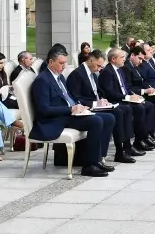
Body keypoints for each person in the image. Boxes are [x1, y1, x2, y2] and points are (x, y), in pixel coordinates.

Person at [30, 46, 115, 177]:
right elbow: (44, 109)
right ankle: (89, 166)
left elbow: (69, 98)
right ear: (51, 62)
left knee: (108, 118)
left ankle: (98, 159)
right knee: (96, 121)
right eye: (61, 63)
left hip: (68, 114)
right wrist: (70, 109)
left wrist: (80, 106)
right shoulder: (42, 80)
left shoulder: (60, 77)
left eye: (65, 63)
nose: (64, 66)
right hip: (55, 119)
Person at [68, 49, 141, 163]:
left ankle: (123, 147)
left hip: (98, 105)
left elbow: (99, 91)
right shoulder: (77, 74)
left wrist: (103, 100)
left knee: (122, 109)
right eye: (98, 65)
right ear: (91, 60)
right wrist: (95, 103)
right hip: (87, 108)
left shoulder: (93, 74)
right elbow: (75, 98)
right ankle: (116, 152)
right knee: (117, 112)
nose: (99, 69)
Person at [98, 48, 155, 152]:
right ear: (113, 59)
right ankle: (129, 145)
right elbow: (110, 93)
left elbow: (125, 88)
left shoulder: (120, 69)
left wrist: (134, 95)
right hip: (115, 100)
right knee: (138, 108)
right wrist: (127, 97)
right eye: (121, 57)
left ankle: (142, 138)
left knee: (148, 105)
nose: (124, 60)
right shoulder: (107, 72)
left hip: (124, 98)